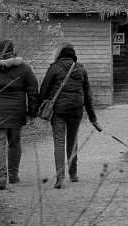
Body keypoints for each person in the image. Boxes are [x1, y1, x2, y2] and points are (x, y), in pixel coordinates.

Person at [0, 40, 39, 190]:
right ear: (13, 50)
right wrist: (32, 112)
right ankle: (13, 175)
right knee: (15, 143)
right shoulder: (23, 68)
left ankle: (1, 177)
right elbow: (33, 90)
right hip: (17, 112)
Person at [40, 42, 100, 188]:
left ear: (60, 54)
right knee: (72, 140)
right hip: (76, 109)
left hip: (58, 110)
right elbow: (88, 96)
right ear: (73, 54)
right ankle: (73, 174)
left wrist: (39, 110)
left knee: (59, 142)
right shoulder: (81, 69)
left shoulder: (54, 68)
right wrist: (92, 118)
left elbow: (44, 90)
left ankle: (60, 177)